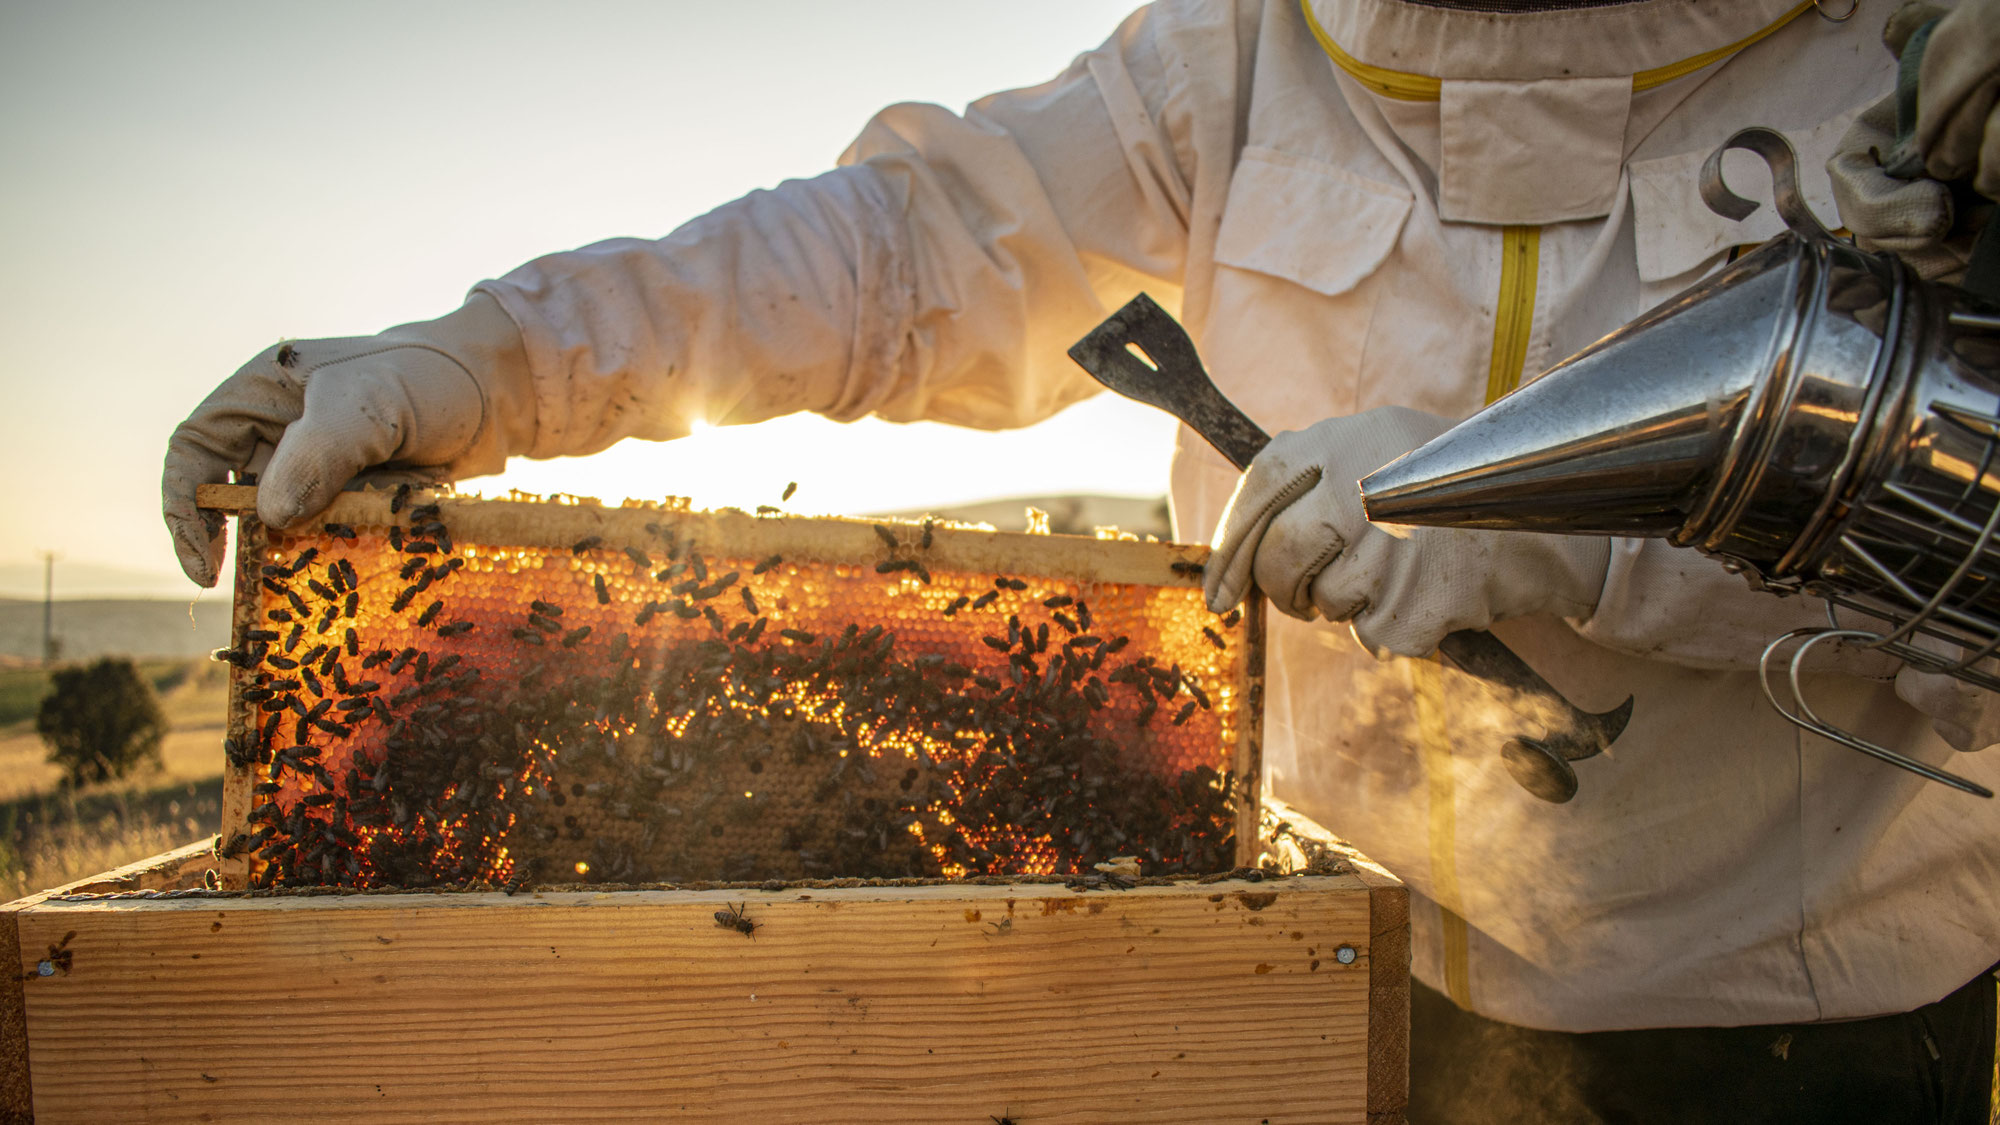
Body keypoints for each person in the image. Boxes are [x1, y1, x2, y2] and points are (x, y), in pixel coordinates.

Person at [163, 1, 2000, 1119]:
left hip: (1806, 1024)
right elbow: (902, 247)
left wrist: (1541, 524)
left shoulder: (1919, 69)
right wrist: (490, 360)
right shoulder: (1246, 60)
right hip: (1337, 984)